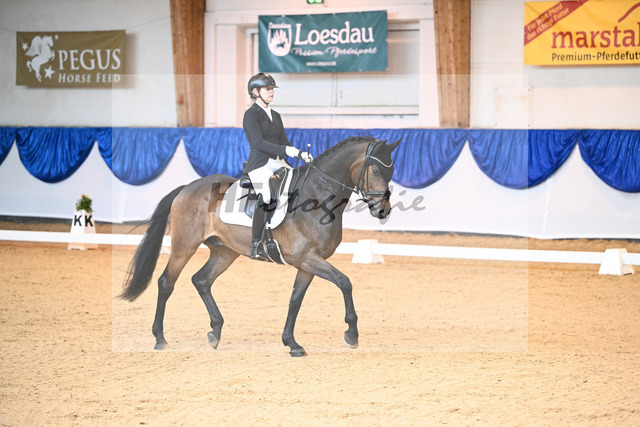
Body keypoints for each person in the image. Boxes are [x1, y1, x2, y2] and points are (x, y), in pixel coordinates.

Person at [242, 72, 312, 260]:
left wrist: (299, 153)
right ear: (255, 92)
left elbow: (284, 142)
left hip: (279, 162)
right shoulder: (251, 115)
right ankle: (256, 243)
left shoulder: (276, 115)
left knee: (301, 185)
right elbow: (258, 143)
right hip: (260, 164)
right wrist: (287, 150)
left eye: (272, 89)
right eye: (268, 89)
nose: (272, 92)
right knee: (266, 195)